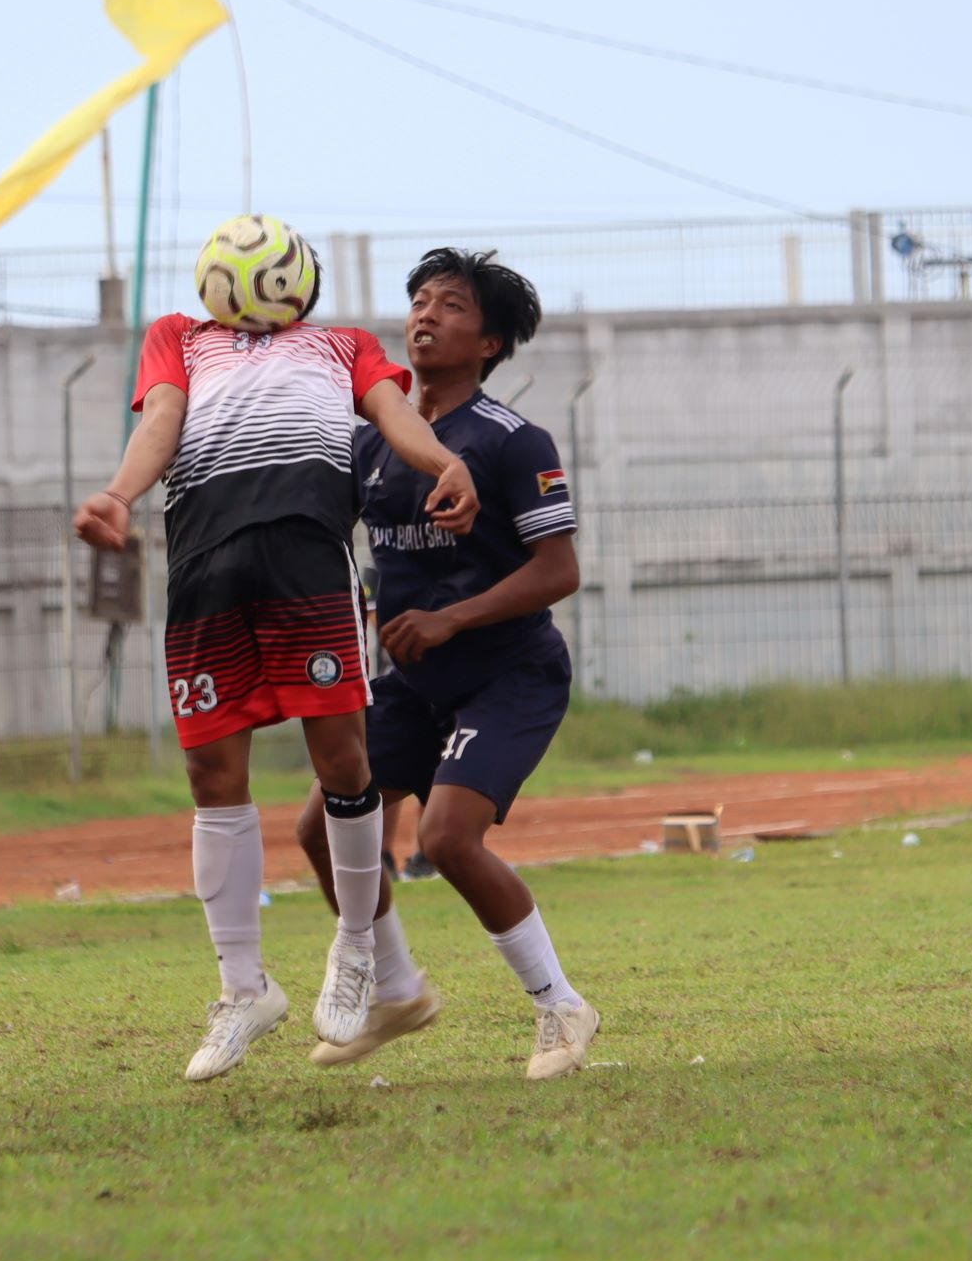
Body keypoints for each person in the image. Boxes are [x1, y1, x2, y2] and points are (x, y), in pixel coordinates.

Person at [72, 225, 480, 1083]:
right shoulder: (177, 337)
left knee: (343, 762)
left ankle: (357, 950)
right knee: (213, 781)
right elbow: (164, 422)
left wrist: (448, 463)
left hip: (306, 562)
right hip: (204, 568)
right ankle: (243, 989)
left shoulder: (344, 346)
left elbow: (396, 415)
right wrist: (117, 493)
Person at [295, 247, 600, 1080]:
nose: (426, 315)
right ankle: (395, 990)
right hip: (412, 685)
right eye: (420, 300)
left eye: (453, 306)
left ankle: (561, 1007)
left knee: (446, 839)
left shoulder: (509, 440)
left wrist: (451, 617)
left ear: (490, 342)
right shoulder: (372, 445)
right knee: (322, 830)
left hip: (509, 674)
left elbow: (559, 570)